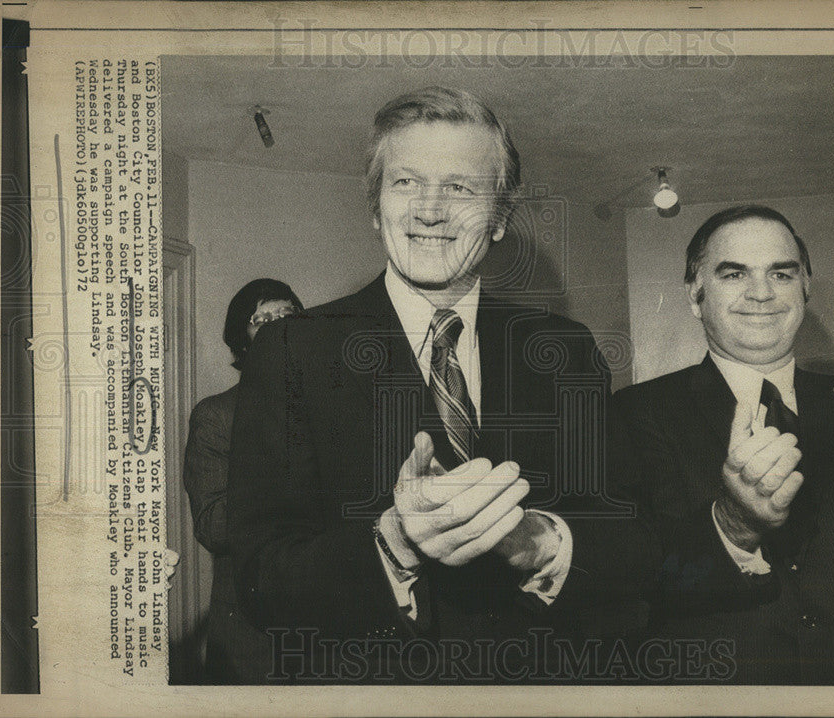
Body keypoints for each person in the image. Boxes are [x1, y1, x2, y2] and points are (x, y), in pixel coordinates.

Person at [227, 87, 640, 683]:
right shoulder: (292, 351)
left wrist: (538, 543)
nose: (430, 209)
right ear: (375, 209)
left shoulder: (566, 352)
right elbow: (262, 581)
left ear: (499, 218)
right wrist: (392, 542)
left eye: (461, 187)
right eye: (405, 183)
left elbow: (634, 544)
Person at [611, 204, 834, 684]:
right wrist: (732, 527)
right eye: (734, 274)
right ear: (695, 294)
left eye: (781, 273)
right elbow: (622, 599)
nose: (762, 293)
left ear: (806, 287)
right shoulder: (630, 415)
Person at [183, 278, 303, 684]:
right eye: (259, 318)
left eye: (286, 315)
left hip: (324, 613)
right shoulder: (215, 416)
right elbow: (213, 525)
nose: (275, 326)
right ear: (242, 337)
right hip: (249, 624)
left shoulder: (326, 410)